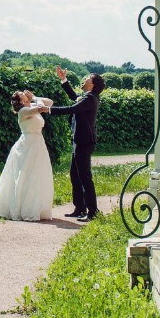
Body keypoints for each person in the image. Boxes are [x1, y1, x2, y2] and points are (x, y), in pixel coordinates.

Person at [48, 66, 106, 222]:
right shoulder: (87, 96)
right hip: (79, 141)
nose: (84, 79)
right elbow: (74, 97)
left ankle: (93, 211)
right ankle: (80, 208)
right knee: (75, 175)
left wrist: (48, 110)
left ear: (92, 84)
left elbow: (72, 108)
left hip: (84, 142)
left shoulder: (90, 98)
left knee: (85, 177)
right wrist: (63, 79)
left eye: (87, 78)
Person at [0, 90, 56, 221]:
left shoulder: (30, 107)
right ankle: (20, 208)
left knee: (37, 175)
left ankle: (35, 207)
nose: (24, 93)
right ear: (20, 101)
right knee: (24, 175)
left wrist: (34, 97)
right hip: (27, 145)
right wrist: (34, 101)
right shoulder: (23, 111)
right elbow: (42, 108)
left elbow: (50, 102)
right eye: (22, 94)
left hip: (38, 144)